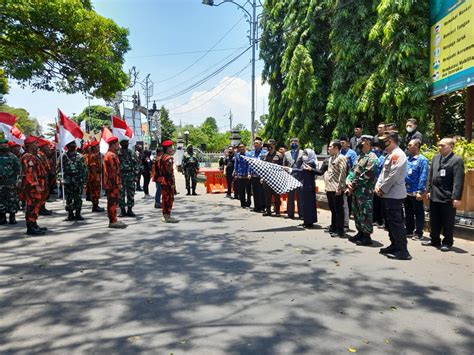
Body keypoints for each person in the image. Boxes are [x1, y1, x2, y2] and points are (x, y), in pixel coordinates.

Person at [423, 138, 465, 251]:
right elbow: (430, 175)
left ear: (451, 146)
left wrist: (456, 197)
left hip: (447, 196)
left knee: (447, 221)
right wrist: (428, 190)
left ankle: (447, 242)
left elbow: (458, 180)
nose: (440, 147)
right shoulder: (436, 157)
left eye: (443, 145)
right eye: (439, 145)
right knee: (434, 219)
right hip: (435, 194)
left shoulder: (457, 160)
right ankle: (434, 239)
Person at [375, 132, 411, 260]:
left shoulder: (398, 154)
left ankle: (403, 250)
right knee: (389, 223)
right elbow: (383, 173)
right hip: (386, 193)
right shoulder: (390, 154)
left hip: (394, 194)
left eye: (383, 140)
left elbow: (393, 175)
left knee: (396, 223)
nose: (381, 143)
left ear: (389, 140)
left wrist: (382, 189)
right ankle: (394, 244)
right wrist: (378, 185)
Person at [346, 135, 379, 245]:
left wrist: (353, 184)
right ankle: (360, 232)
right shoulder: (360, 156)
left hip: (365, 192)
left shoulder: (372, 158)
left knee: (365, 213)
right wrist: (348, 181)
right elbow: (352, 171)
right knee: (357, 212)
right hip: (356, 191)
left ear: (368, 143)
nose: (360, 142)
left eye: (362, 141)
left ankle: (367, 236)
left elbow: (367, 175)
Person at [316, 140, 347, 237]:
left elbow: (342, 174)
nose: (328, 148)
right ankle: (333, 226)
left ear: (336, 148)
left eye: (330, 147)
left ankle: (340, 230)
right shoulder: (330, 159)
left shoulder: (341, 158)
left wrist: (340, 187)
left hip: (336, 188)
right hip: (329, 188)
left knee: (338, 210)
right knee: (333, 210)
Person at [19, 136, 47, 235]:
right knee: (31, 205)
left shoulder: (33, 156)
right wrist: (36, 185)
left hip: (36, 186)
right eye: (35, 143)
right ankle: (30, 228)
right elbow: (30, 173)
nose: (37, 145)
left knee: (36, 205)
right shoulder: (27, 157)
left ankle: (34, 224)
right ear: (29, 145)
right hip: (32, 187)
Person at [286, 149, 318, 228]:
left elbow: (302, 171)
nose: (304, 155)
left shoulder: (311, 163)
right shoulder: (305, 163)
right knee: (305, 204)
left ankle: (309, 222)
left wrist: (291, 169)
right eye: (303, 153)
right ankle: (306, 221)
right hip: (304, 185)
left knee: (309, 205)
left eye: (306, 154)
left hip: (309, 186)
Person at [404, 139, 429, 240]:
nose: (408, 147)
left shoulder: (422, 160)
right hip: (406, 190)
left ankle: (419, 232)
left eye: (410, 145)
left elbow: (423, 176)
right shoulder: (408, 159)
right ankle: (409, 230)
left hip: (416, 191)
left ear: (417, 146)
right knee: (408, 211)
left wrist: (420, 191)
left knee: (418, 212)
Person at [103, 136, 127, 229]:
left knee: (113, 202)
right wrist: (118, 183)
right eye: (117, 144)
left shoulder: (110, 154)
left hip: (111, 183)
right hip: (112, 183)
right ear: (113, 145)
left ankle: (114, 219)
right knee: (113, 202)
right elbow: (114, 171)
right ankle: (112, 221)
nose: (119, 146)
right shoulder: (111, 155)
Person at [62, 141, 87, 221]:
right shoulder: (64, 156)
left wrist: (84, 181)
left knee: (78, 197)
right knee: (68, 198)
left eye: (73, 144)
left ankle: (78, 213)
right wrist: (60, 179)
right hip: (67, 180)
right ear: (67, 146)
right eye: (70, 145)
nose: (72, 146)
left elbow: (84, 170)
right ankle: (70, 214)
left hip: (78, 180)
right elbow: (60, 168)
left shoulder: (80, 156)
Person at [0, 139, 20, 225]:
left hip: (11, 182)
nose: (4, 146)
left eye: (6, 144)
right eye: (2, 145)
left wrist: (18, 180)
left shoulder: (13, 157)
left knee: (12, 200)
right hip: (0, 183)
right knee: (1, 200)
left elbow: (18, 170)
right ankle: (2, 217)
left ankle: (12, 217)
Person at [340, 136, 357, 230]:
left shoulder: (352, 153)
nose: (341, 144)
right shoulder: (339, 152)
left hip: (348, 180)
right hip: (340, 181)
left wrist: (350, 180)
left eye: (343, 142)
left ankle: (346, 223)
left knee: (347, 202)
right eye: (340, 142)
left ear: (348, 143)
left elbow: (354, 168)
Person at [159, 140, 178, 223]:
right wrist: (172, 184)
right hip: (168, 181)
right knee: (169, 198)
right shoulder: (168, 158)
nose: (171, 149)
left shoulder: (162, 157)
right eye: (170, 147)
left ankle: (165, 215)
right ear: (167, 149)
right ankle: (167, 216)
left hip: (163, 180)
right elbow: (169, 172)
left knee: (164, 198)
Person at [284, 137, 304, 220]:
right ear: (289, 143)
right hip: (290, 177)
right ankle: (290, 214)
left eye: (295, 141)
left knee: (300, 197)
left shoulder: (302, 153)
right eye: (292, 142)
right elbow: (284, 166)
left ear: (298, 143)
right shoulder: (286, 154)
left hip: (300, 178)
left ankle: (301, 214)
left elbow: (304, 164)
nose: (294, 143)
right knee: (290, 197)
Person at [262, 139, 283, 217]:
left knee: (277, 196)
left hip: (276, 179)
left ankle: (277, 211)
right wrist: (262, 177)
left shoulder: (279, 155)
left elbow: (282, 167)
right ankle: (268, 211)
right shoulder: (265, 155)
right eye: (267, 145)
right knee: (267, 196)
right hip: (267, 179)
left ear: (274, 145)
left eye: (270, 145)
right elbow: (263, 167)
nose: (269, 147)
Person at [118, 139, 138, 217]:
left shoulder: (131, 153)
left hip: (130, 175)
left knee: (131, 193)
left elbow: (136, 164)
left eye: (126, 143)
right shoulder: (118, 153)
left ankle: (130, 210)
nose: (126, 145)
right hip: (121, 175)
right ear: (121, 144)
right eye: (124, 143)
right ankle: (122, 210)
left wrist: (135, 175)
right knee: (121, 194)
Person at [247, 137, 267, 213]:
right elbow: (250, 164)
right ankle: (257, 207)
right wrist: (249, 173)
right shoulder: (251, 153)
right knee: (255, 192)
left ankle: (262, 207)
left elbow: (266, 165)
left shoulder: (264, 153)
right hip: (253, 176)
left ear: (261, 145)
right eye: (254, 143)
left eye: (257, 143)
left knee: (262, 192)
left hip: (261, 176)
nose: (255, 145)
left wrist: (264, 176)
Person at [85, 140, 105, 212]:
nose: (99, 147)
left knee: (96, 191)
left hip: (96, 175)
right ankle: (95, 206)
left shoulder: (96, 155)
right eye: (97, 146)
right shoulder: (93, 156)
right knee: (95, 191)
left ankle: (96, 205)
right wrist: (96, 177)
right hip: (94, 176)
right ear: (94, 148)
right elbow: (93, 167)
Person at [37, 138, 53, 216]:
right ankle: (41, 209)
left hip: (44, 178)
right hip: (42, 179)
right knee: (43, 194)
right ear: (42, 147)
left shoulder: (43, 154)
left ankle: (42, 208)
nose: (48, 149)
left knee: (44, 194)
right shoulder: (41, 155)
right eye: (47, 147)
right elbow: (46, 167)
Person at [234, 142, 251, 208]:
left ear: (245, 147)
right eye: (240, 147)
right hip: (240, 175)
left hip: (247, 175)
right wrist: (236, 173)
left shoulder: (248, 155)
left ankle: (248, 202)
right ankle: (243, 203)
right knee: (241, 191)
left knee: (248, 190)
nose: (241, 148)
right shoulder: (237, 155)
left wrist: (249, 173)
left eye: (242, 147)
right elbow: (236, 165)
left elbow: (250, 164)